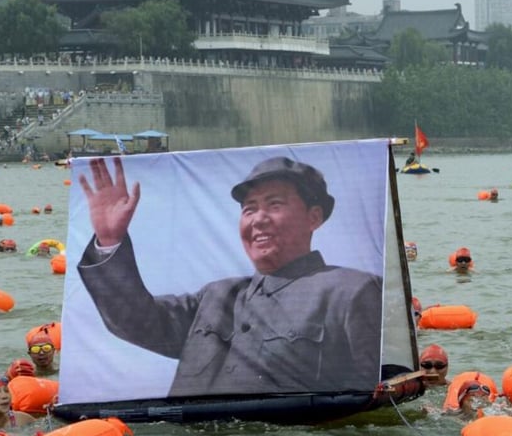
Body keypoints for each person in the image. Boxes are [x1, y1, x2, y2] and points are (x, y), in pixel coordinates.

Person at [76, 155, 383, 396]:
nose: (259, 219)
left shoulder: (352, 292)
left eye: (274, 205)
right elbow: (133, 321)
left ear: (313, 217)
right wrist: (109, 239)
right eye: (249, 209)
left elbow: (377, 397)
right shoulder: (215, 297)